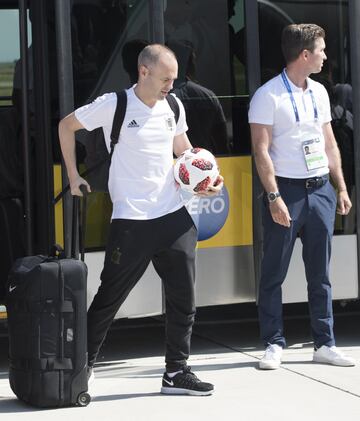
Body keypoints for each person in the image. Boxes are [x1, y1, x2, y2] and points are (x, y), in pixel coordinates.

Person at [58, 44, 223, 395]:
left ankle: (176, 372)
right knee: (109, 298)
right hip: (131, 221)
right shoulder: (114, 104)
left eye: (174, 79)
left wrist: (204, 181)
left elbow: (185, 151)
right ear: (144, 71)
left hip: (173, 215)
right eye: (166, 78)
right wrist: (73, 176)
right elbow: (66, 126)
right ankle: (81, 367)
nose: (171, 85)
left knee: (184, 299)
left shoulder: (174, 106)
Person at [248, 24, 355, 370]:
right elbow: (261, 151)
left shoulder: (320, 92)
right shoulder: (268, 96)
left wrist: (339, 186)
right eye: (321, 50)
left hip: (320, 189)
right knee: (273, 273)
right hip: (287, 191)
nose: (325, 56)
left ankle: (324, 343)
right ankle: (273, 343)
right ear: (304, 55)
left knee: (319, 273)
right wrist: (273, 195)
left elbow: (329, 143)